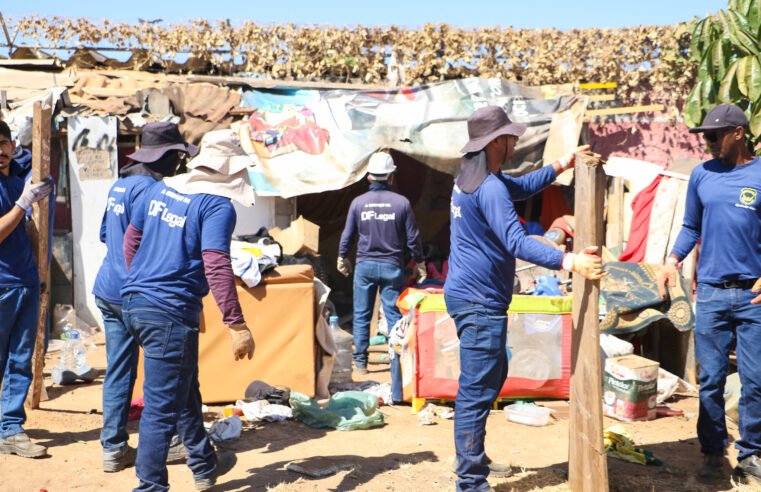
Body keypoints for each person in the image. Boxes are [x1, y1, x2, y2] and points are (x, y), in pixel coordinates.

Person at [444, 106, 605, 492]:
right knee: (477, 389)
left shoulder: (472, 176)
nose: (515, 142)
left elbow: (521, 187)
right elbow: (516, 241)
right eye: (511, 137)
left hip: (469, 295)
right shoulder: (489, 186)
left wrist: (563, 163)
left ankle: (473, 458)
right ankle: (470, 481)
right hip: (479, 301)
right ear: (497, 141)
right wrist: (570, 260)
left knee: (491, 375)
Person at [120, 129, 256, 491]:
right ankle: (149, 487)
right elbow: (216, 263)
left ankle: (203, 464)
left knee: (184, 386)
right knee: (161, 407)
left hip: (135, 303)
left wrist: (141, 282)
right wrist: (236, 323)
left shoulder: (159, 189)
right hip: (167, 312)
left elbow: (131, 238)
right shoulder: (216, 205)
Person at [657, 103, 761, 485]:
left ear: (738, 132)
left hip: (754, 297)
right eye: (705, 136)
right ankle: (713, 454)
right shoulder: (702, 175)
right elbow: (690, 226)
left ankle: (751, 456)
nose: (709, 142)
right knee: (711, 380)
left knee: (756, 379)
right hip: (713, 294)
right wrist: (672, 260)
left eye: (715, 135)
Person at [93, 122, 199, 472]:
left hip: (108, 290)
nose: (180, 165)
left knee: (119, 370)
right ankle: (169, 443)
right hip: (142, 295)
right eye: (178, 157)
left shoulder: (119, 186)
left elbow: (106, 235)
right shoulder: (154, 192)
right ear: (165, 157)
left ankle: (113, 448)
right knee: (167, 373)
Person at [337, 151, 426, 389]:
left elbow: (348, 234)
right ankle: (395, 358)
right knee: (394, 316)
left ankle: (360, 363)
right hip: (392, 266)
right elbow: (413, 238)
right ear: (392, 177)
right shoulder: (402, 203)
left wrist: (342, 256)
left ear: (368, 178)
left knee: (361, 314)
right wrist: (419, 262)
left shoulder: (358, 203)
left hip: (364, 266)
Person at [0, 120, 52, 458]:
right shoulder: (17, 190)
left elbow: (28, 228)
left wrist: (38, 271)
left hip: (26, 283)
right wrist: (23, 202)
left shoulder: (15, 179)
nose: (0, 152)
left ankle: (10, 428)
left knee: (20, 360)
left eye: (3, 144)